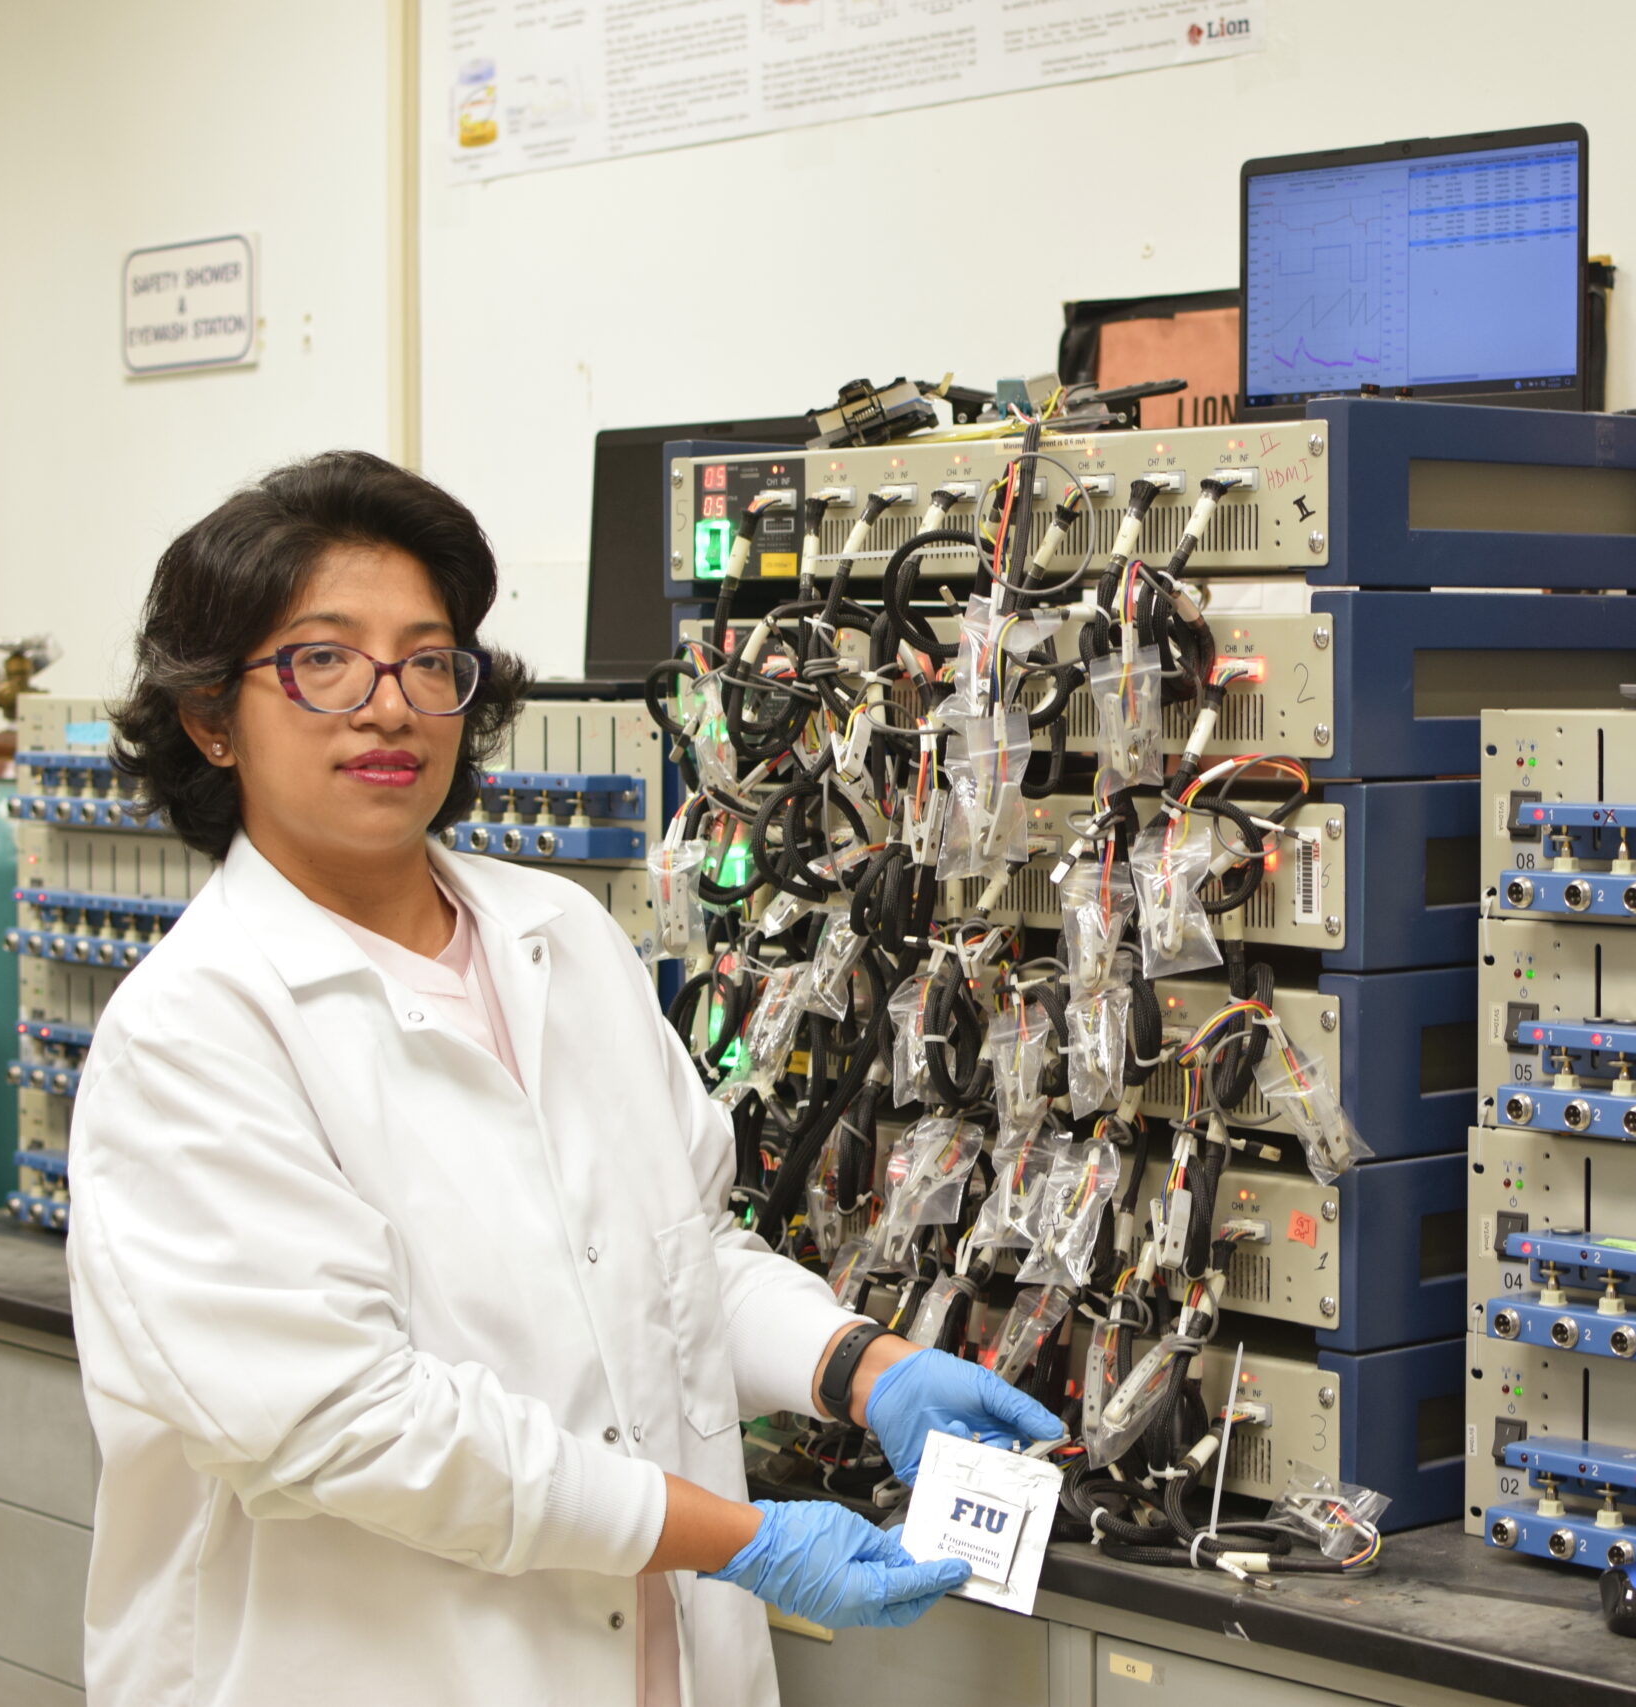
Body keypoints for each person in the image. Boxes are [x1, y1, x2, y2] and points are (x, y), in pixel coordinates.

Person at [66, 451, 1062, 1706]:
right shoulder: (194, 1031)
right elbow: (353, 1426)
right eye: (323, 660)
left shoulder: (561, 938)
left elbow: (679, 1256)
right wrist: (738, 1538)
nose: (389, 707)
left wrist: (863, 1366)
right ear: (213, 718)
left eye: (428, 661)